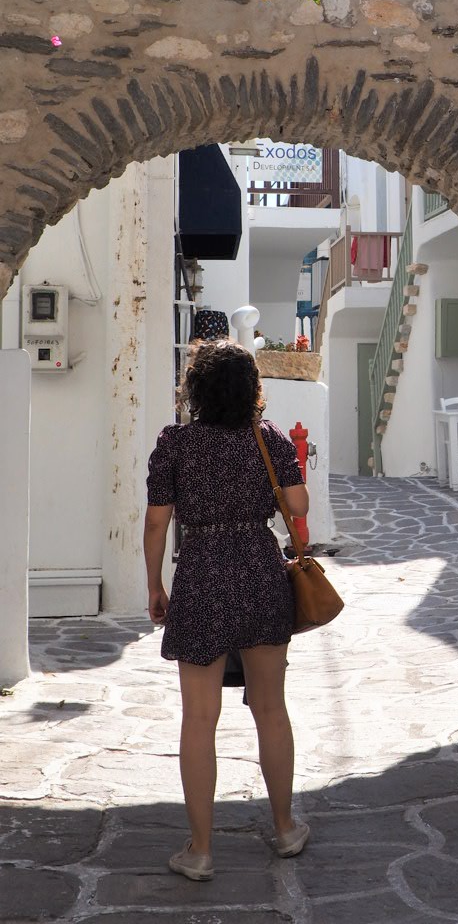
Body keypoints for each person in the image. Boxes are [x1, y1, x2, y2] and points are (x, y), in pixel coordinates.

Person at [142, 339, 311, 881]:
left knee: (199, 718)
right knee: (271, 709)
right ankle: (285, 829)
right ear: (251, 390)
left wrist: (154, 584)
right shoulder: (269, 441)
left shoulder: (175, 444)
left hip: (201, 574)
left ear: (196, 390)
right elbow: (299, 507)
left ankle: (201, 850)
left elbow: (156, 522)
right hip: (260, 572)